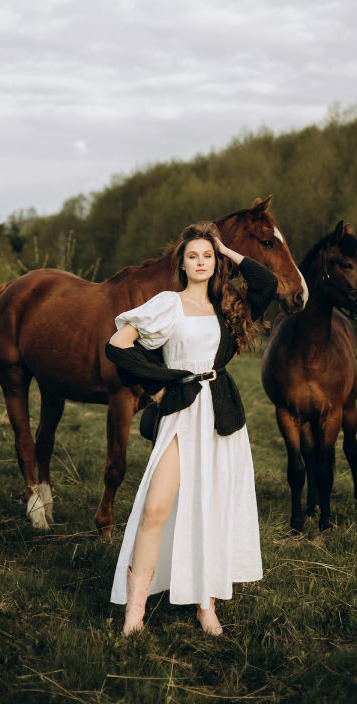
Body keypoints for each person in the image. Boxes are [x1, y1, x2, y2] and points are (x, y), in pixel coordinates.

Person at [106, 220, 277, 636]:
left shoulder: (227, 306)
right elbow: (118, 346)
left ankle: (207, 606)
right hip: (183, 414)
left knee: (212, 511)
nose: (201, 262)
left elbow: (266, 282)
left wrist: (226, 249)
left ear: (215, 262)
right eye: (193, 256)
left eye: (207, 256)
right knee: (155, 510)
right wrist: (158, 387)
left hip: (221, 418)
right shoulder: (168, 304)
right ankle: (135, 613)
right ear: (181, 265)